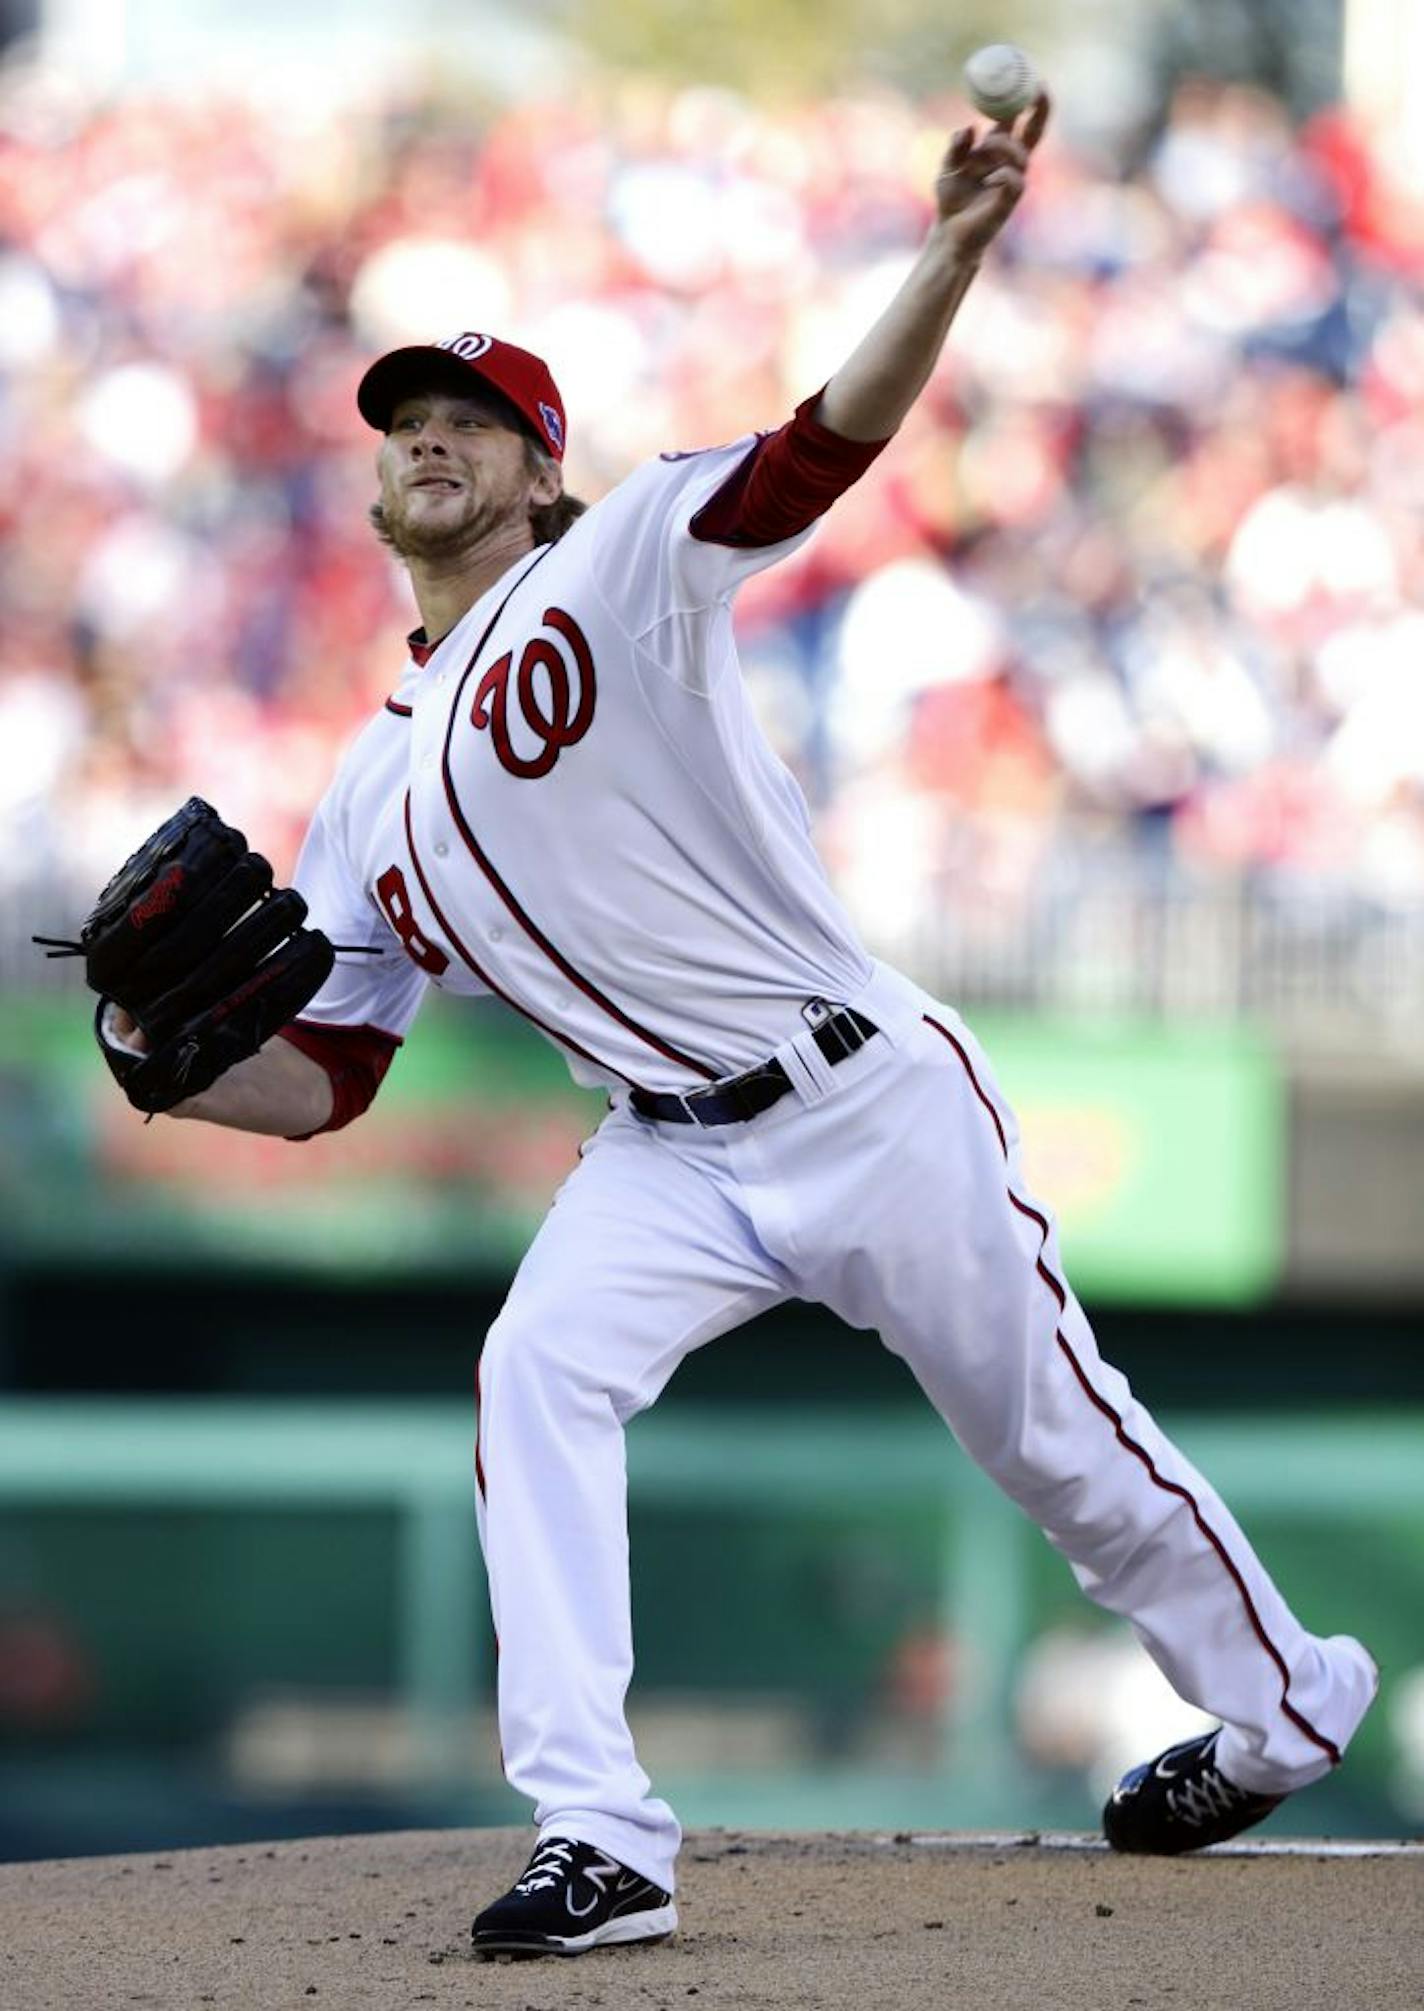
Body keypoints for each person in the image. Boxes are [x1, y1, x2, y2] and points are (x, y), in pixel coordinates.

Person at [110, 95, 1376, 1956]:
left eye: (472, 422)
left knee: (1053, 1451)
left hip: (863, 1091)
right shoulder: (361, 797)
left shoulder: (615, 567)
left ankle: (1290, 1708)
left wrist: (949, 248)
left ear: (541, 474)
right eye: (406, 429)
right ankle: (599, 1834)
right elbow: (335, 1079)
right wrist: (170, 1077)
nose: (431, 444)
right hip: (663, 1152)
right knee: (534, 1378)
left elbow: (812, 456)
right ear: (376, 492)